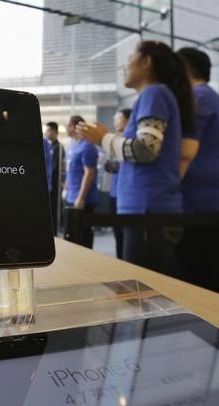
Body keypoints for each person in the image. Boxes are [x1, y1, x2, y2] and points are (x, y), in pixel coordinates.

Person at [79, 40, 194, 275]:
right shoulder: (155, 95)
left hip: (148, 211)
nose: (125, 66)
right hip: (146, 210)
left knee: (142, 295)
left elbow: (145, 150)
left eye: (130, 58)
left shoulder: (154, 93)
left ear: (146, 61)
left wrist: (103, 138)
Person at [174, 47, 219, 295]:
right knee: (211, 280)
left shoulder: (198, 98)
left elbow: (184, 152)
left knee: (201, 284)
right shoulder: (209, 96)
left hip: (203, 204)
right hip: (214, 202)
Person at [64, 115, 99, 248]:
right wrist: (66, 188)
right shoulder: (73, 146)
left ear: (74, 126)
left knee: (83, 236)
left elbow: (89, 172)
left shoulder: (87, 147)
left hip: (84, 199)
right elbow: (70, 170)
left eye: (68, 125)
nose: (67, 128)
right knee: (72, 235)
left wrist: (81, 197)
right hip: (71, 195)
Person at [104, 108, 130, 259]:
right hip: (113, 192)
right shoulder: (115, 140)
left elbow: (117, 165)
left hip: (125, 194)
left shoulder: (128, 141)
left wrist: (115, 163)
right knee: (117, 233)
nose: (115, 121)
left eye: (118, 118)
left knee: (125, 233)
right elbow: (109, 166)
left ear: (127, 119)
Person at [45, 121, 63, 234]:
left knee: (53, 212)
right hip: (49, 184)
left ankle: (54, 235)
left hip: (55, 186)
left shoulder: (58, 148)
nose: (47, 133)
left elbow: (55, 167)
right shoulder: (48, 146)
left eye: (48, 130)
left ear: (54, 131)